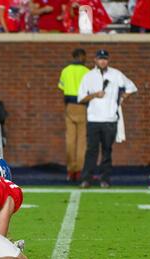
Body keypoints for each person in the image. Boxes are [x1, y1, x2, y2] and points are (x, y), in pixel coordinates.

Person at [77, 50, 137, 188]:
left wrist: (122, 97)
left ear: (108, 60)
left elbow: (131, 87)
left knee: (107, 151)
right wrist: (94, 95)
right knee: (91, 151)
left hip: (110, 119)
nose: (103, 61)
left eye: (105, 59)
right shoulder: (88, 76)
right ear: (95, 60)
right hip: (93, 119)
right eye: (100, 59)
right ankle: (86, 179)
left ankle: (105, 179)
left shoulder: (116, 74)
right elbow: (81, 98)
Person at [58, 48, 90, 182]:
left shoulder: (65, 70)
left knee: (70, 140)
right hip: (83, 107)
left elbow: (62, 88)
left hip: (70, 107)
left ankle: (70, 170)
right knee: (81, 141)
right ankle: (79, 170)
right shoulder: (87, 72)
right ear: (81, 56)